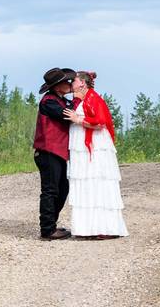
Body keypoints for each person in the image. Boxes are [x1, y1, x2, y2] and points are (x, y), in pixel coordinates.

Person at [63, 71, 128, 239]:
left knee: (98, 181)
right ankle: (87, 228)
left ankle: (107, 227)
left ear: (82, 84)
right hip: (82, 149)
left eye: (74, 80)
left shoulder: (94, 99)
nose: (72, 83)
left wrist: (78, 120)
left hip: (96, 146)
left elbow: (100, 122)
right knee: (85, 183)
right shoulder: (80, 100)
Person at [33, 67, 76, 240]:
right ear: (58, 86)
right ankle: (47, 229)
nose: (70, 84)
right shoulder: (49, 101)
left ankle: (51, 225)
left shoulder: (60, 100)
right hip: (47, 152)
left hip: (56, 153)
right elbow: (68, 115)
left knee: (62, 188)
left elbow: (73, 108)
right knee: (50, 190)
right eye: (67, 82)